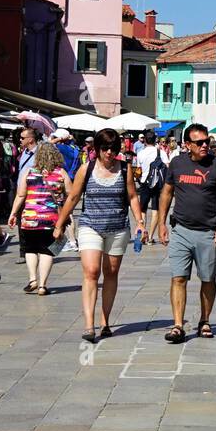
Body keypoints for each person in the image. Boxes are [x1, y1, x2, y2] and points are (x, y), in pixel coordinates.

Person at [54, 128, 144, 343]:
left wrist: (140, 221)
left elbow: (132, 196)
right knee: (92, 271)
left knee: (111, 273)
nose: (109, 153)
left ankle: (105, 321)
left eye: (113, 148)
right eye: (105, 148)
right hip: (90, 225)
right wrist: (59, 224)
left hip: (118, 226)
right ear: (97, 149)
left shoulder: (125, 169)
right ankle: (88, 325)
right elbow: (73, 197)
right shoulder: (87, 169)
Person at [158, 123, 216, 344]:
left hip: (208, 231)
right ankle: (178, 325)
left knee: (208, 278)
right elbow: (167, 193)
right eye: (199, 142)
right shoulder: (177, 163)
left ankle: (205, 320)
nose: (204, 145)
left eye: (206, 141)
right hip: (181, 229)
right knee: (178, 277)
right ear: (187, 145)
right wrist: (161, 223)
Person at [8, 141, 71, 296]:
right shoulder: (61, 173)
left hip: (29, 218)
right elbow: (71, 194)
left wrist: (13, 213)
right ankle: (42, 286)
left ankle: (32, 280)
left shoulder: (28, 171)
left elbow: (21, 195)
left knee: (30, 249)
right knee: (47, 251)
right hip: (51, 219)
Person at [135, 130, 172, 245]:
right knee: (156, 210)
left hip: (144, 183)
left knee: (143, 210)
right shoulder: (161, 152)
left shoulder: (140, 153)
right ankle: (150, 237)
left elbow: (138, 170)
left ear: (144, 140)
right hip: (158, 184)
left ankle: (143, 235)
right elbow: (167, 167)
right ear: (155, 139)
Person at [15, 128, 39, 264]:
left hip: (33, 192)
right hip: (21, 191)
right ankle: (24, 251)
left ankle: (37, 249)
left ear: (30, 139)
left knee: (34, 221)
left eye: (22, 138)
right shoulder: (24, 152)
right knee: (21, 222)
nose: (20, 140)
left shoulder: (39, 153)